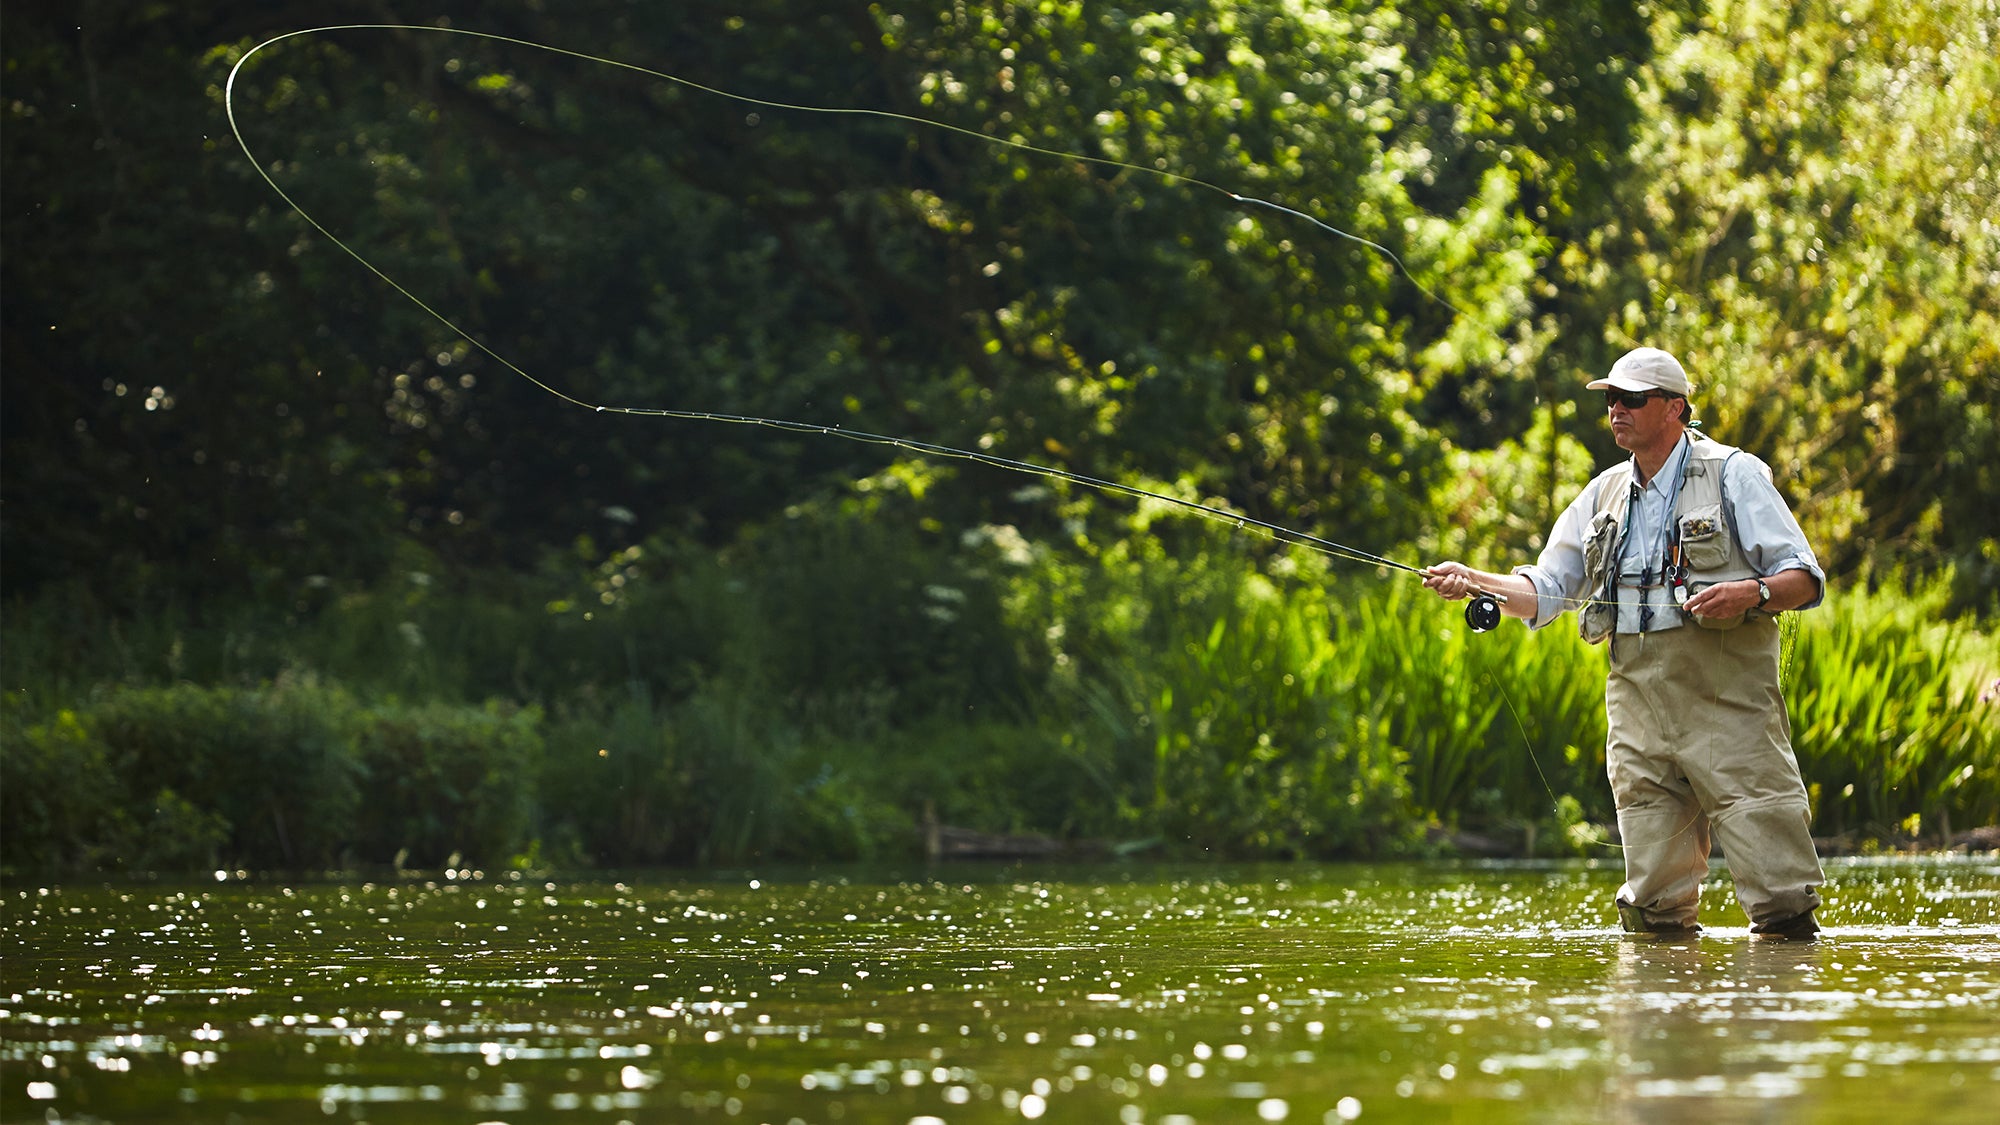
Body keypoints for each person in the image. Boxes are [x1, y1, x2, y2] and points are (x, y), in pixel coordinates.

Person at [1421, 347, 1825, 940]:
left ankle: (1774, 1013)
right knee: (1653, 907)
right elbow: (1548, 589)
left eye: (1632, 399)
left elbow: (1805, 579)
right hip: (1636, 707)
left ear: (1675, 408)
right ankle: (1662, 1021)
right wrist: (1474, 581)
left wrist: (1750, 594)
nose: (1616, 410)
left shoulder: (1735, 473)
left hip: (1728, 703)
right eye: (1611, 399)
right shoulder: (1602, 494)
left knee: (1782, 898)